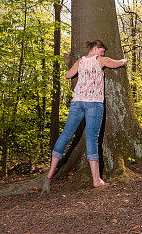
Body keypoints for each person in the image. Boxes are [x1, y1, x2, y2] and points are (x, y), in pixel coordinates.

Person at [46, 39, 128, 187]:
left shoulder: (80, 61)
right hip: (94, 104)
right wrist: (124, 60)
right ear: (96, 49)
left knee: (65, 134)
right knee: (92, 139)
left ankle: (51, 171)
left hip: (77, 102)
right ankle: (96, 180)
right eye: (102, 51)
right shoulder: (101, 60)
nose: (103, 53)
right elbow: (116, 63)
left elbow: (67, 75)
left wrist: (68, 64)